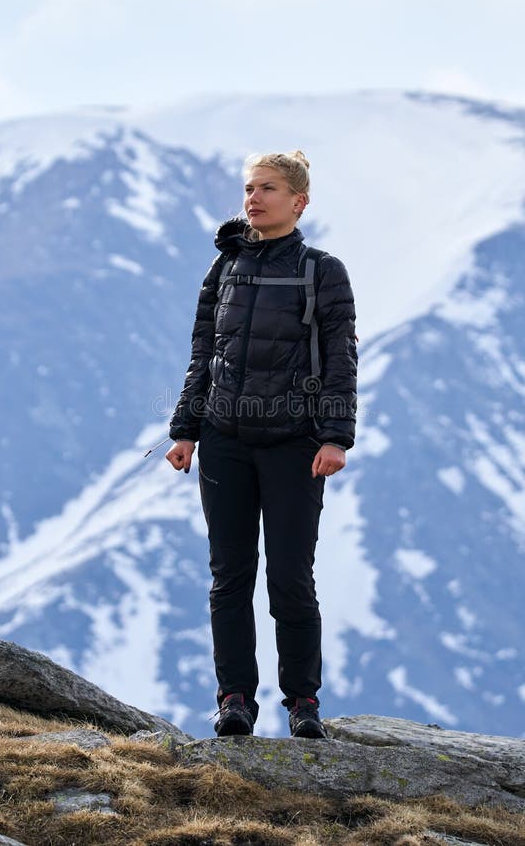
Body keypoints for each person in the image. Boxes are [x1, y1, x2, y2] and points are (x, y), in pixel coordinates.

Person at [166, 150, 358, 738]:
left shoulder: (322, 271)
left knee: (291, 579)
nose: (254, 198)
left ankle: (302, 702)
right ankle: (234, 701)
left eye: (268, 188)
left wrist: (335, 436)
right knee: (229, 577)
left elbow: (341, 359)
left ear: (299, 201)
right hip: (225, 441)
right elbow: (204, 354)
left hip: (293, 446)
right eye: (249, 188)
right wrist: (185, 429)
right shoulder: (223, 269)